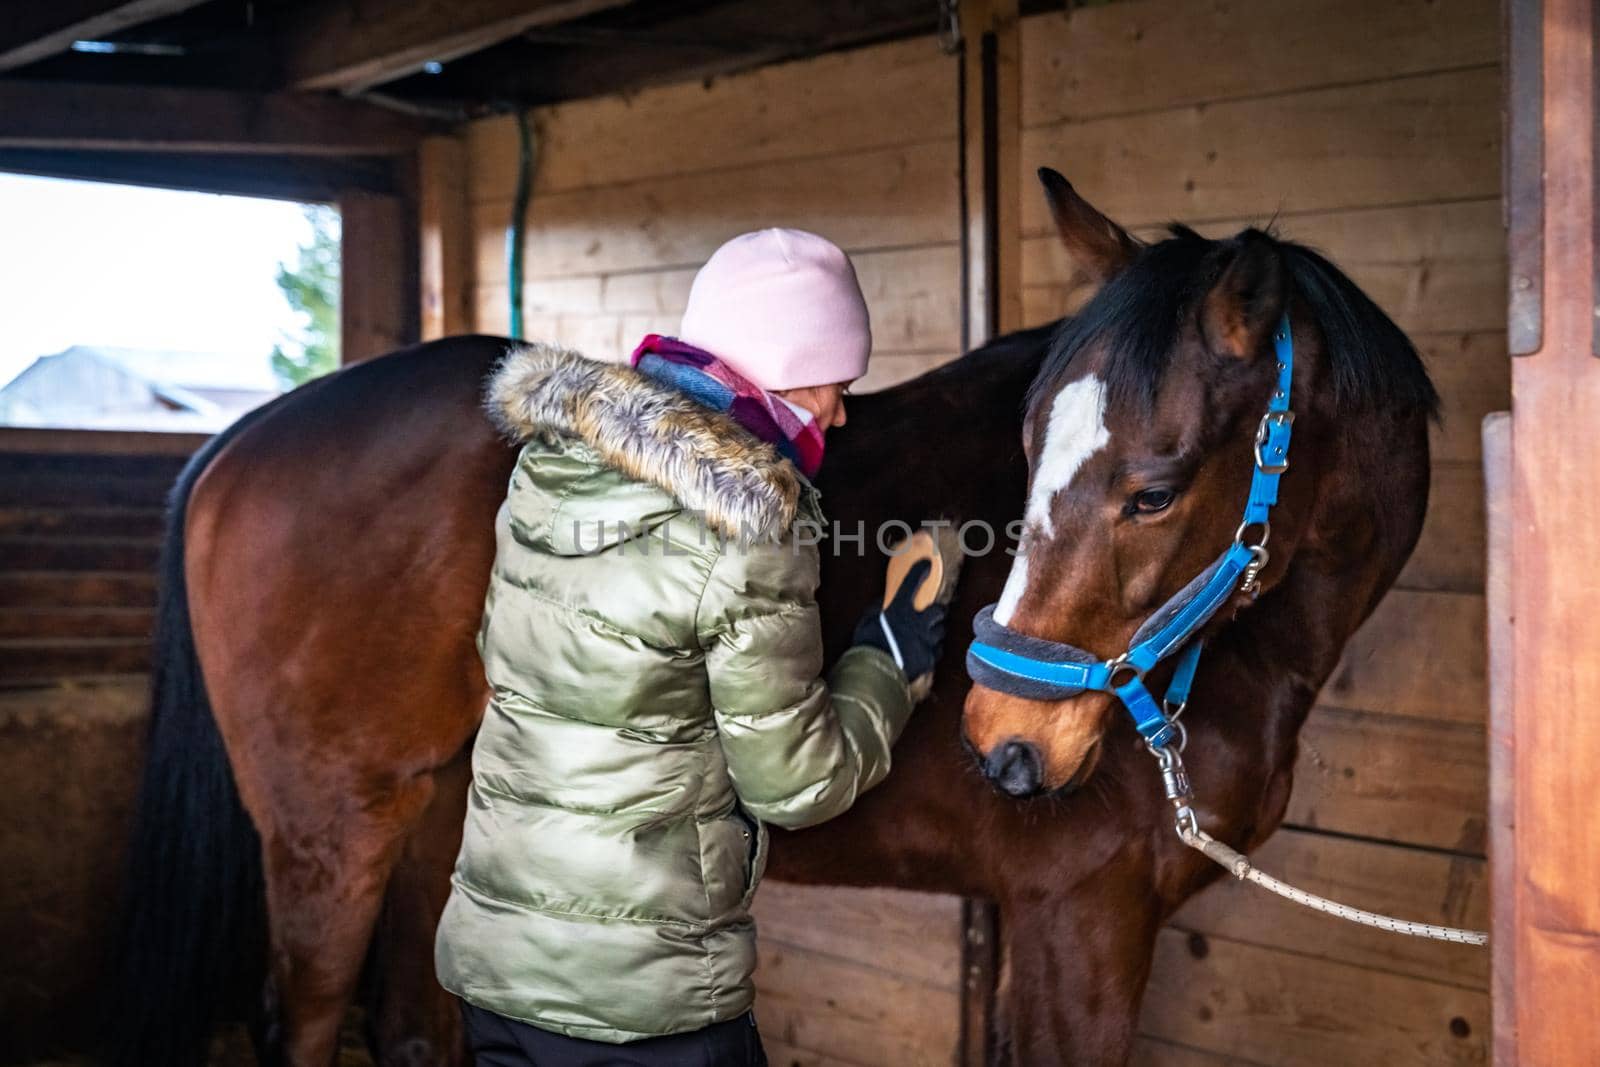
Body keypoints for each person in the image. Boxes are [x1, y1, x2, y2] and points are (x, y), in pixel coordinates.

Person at [435, 228, 953, 1066]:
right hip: (646, 1002)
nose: (842, 410)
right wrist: (892, 659)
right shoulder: (748, 528)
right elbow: (798, 782)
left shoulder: (546, 472)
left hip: (496, 972)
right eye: (836, 380)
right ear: (785, 364)